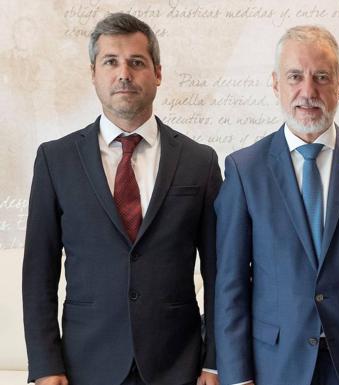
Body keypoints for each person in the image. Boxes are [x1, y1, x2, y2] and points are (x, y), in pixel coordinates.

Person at [22, 13, 221, 385]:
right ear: (93, 73)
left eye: (137, 62)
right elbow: (38, 273)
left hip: (178, 364)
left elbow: (219, 273)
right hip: (85, 364)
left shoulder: (200, 162)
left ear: (158, 73)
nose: (123, 73)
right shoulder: (55, 160)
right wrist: (46, 366)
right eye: (111, 61)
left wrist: (214, 362)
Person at [214, 25, 339, 385]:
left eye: (321, 77)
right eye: (295, 76)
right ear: (276, 84)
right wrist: (236, 378)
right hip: (274, 368)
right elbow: (230, 284)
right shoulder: (245, 170)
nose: (307, 92)